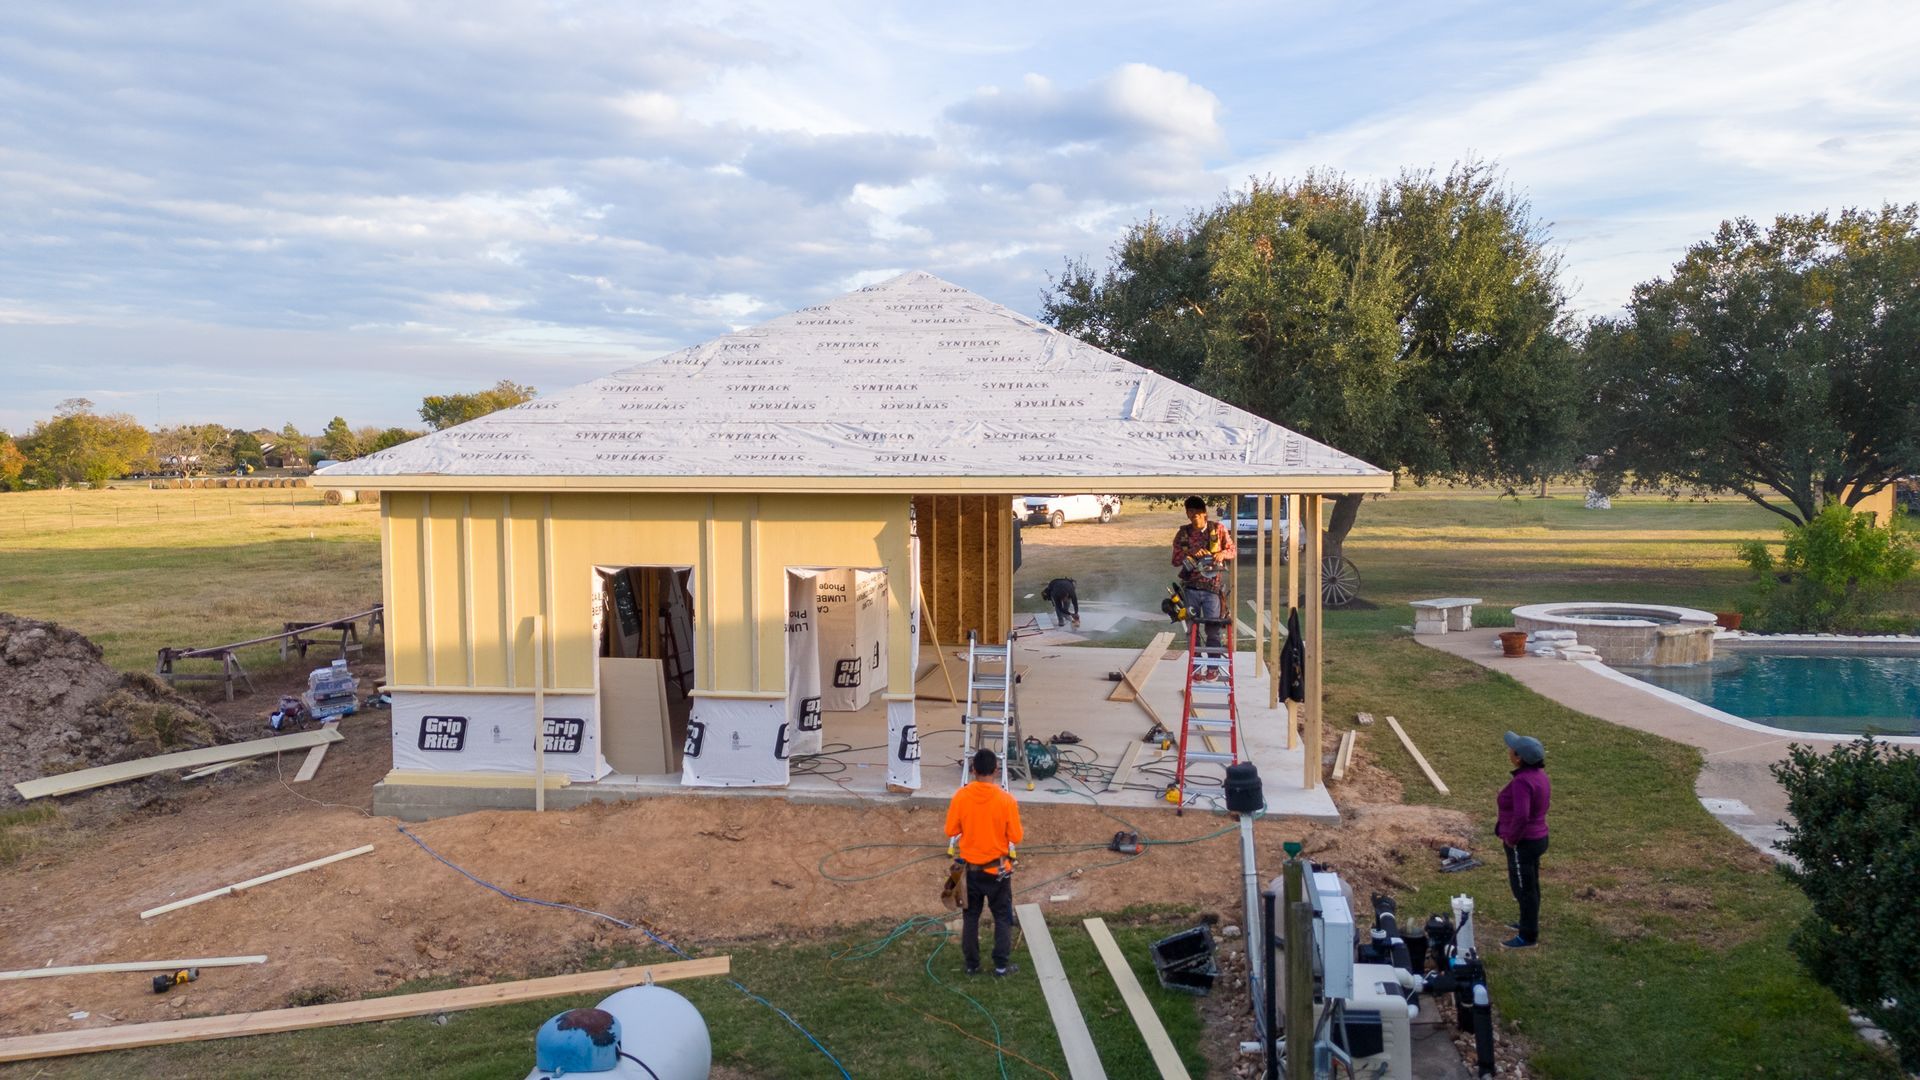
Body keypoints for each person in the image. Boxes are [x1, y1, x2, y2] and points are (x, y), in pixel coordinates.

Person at [944, 747, 1024, 976]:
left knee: (970, 917)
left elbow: (951, 829)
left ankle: (972, 965)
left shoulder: (961, 796)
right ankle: (1000, 966)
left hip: (970, 871)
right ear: (996, 771)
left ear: (973, 770)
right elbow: (1016, 837)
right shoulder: (1006, 800)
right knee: (1001, 916)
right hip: (997, 870)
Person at [1495, 731, 1551, 948]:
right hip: (1539, 837)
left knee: (1523, 888)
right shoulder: (1539, 776)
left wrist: (1511, 839)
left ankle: (1528, 935)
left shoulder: (1522, 782)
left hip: (1523, 842)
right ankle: (1527, 922)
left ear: (1519, 758)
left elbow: (1522, 816)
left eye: (1512, 749)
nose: (1509, 751)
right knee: (1531, 884)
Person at [1170, 496, 1236, 674]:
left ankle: (1213, 669)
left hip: (1212, 590)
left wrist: (1221, 554)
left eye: (1196, 515)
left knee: (1213, 629)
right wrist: (1191, 553)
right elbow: (1175, 560)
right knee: (1193, 631)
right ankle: (1197, 668)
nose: (1193, 518)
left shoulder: (1218, 530)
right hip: (1190, 589)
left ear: (1204, 513)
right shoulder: (1183, 534)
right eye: (1190, 514)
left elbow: (1232, 550)